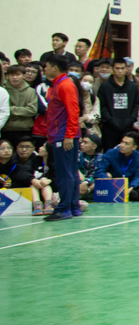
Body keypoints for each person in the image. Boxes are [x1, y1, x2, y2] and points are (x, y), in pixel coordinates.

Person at [39, 53, 81, 221]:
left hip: (64, 136)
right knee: (70, 172)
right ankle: (73, 206)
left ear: (54, 67)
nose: (44, 70)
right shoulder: (58, 85)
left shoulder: (65, 85)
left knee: (65, 173)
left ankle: (64, 208)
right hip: (61, 135)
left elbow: (73, 111)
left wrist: (69, 136)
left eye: (46, 67)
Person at [97, 58, 139, 151]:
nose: (120, 71)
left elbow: (136, 104)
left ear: (126, 69)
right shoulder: (105, 86)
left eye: (122, 68)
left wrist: (132, 119)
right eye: (117, 68)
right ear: (113, 69)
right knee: (110, 154)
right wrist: (110, 120)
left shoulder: (133, 86)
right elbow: (102, 106)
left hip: (128, 127)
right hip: (109, 127)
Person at [2, 64, 38, 143]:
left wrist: (10, 109)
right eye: (12, 75)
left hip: (25, 129)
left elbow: (32, 110)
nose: (15, 77)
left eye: (18, 75)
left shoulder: (30, 91)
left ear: (23, 76)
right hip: (6, 129)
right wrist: (22, 111)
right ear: (7, 76)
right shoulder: (3, 90)